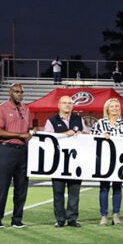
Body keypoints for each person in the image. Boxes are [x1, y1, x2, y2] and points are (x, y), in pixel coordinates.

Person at [0, 83, 33, 229]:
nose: (19, 94)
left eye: (21, 92)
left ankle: (17, 219)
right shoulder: (1, 108)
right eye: (16, 91)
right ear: (10, 92)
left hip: (23, 150)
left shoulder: (26, 109)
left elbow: (29, 129)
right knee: (3, 186)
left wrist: (33, 132)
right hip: (6, 150)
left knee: (21, 186)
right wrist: (20, 134)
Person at [44, 95, 88, 228]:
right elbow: (47, 138)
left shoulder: (79, 119)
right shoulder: (51, 121)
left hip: (75, 162)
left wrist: (82, 134)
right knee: (58, 192)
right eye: (64, 103)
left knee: (74, 192)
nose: (67, 105)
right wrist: (64, 134)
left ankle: (72, 218)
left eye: (70, 103)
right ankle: (60, 219)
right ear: (59, 105)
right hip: (58, 162)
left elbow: (88, 136)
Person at [90, 98, 123, 226]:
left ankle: (116, 215)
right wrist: (101, 136)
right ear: (107, 108)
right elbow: (91, 138)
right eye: (112, 106)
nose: (114, 108)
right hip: (104, 160)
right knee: (104, 188)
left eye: (117, 106)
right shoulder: (100, 123)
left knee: (118, 188)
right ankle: (103, 215)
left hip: (120, 160)